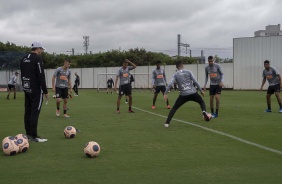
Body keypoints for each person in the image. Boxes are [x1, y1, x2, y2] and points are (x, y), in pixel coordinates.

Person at [163, 61, 210, 127]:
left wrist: (165, 93)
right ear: (183, 65)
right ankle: (204, 112)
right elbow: (195, 81)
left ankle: (167, 123)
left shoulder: (176, 74)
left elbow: (170, 84)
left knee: (174, 108)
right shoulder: (189, 72)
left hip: (183, 95)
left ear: (176, 67)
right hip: (193, 92)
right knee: (201, 101)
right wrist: (201, 90)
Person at [20, 41, 49, 142]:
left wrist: (24, 86)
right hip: (36, 90)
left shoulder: (23, 58)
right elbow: (41, 75)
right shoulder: (37, 58)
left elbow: (22, 73)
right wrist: (45, 91)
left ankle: (28, 134)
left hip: (26, 88)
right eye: (41, 49)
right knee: (34, 112)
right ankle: (34, 136)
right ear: (37, 49)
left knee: (27, 111)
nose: (41, 51)